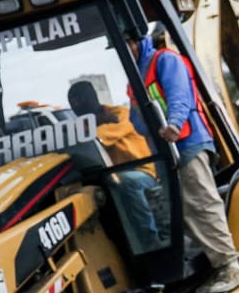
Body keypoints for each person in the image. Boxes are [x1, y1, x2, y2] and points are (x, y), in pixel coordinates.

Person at [131, 31, 239, 293]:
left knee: (201, 203)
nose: (126, 49)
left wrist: (173, 123)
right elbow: (136, 118)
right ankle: (212, 267)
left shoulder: (164, 61)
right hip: (165, 151)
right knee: (182, 210)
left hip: (187, 142)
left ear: (137, 39)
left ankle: (230, 267)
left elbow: (179, 96)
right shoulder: (135, 76)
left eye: (127, 43)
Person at [67, 80, 166, 248]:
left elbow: (97, 138)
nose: (75, 106)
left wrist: (96, 124)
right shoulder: (81, 126)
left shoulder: (121, 113)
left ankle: (151, 244)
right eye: (72, 103)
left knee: (124, 182)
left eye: (78, 100)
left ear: (91, 97)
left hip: (143, 171)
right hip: (111, 175)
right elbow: (73, 142)